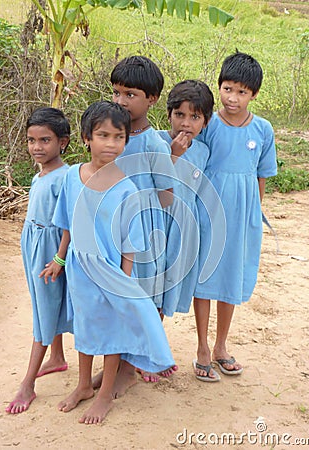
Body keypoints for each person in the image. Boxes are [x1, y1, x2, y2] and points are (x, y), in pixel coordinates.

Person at [46, 101, 175, 424]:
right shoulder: (72, 178)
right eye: (103, 135)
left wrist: (124, 281)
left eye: (119, 137)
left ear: (126, 141)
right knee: (86, 326)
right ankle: (83, 386)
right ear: (86, 138)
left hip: (112, 272)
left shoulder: (126, 188)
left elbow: (130, 243)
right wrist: (59, 260)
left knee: (114, 330)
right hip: (79, 268)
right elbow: (67, 225)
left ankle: (104, 394)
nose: (111, 144)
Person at [193, 51, 277, 381]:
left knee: (231, 277)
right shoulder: (209, 124)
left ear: (254, 94)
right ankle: (201, 347)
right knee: (205, 276)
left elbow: (261, 176)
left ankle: (221, 346)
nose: (233, 98)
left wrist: (254, 215)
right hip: (208, 211)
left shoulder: (263, 129)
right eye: (228, 89)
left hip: (243, 217)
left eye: (242, 92)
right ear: (219, 87)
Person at [110, 55, 178, 382]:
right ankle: (116, 365)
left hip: (145, 233)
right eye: (116, 93)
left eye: (130, 94)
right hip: (113, 230)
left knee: (142, 295)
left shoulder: (153, 143)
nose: (121, 101)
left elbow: (167, 195)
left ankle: (129, 368)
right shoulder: (110, 136)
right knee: (117, 296)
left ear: (151, 99)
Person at [6, 107, 73, 414]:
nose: (36, 147)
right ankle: (57, 357)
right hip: (33, 244)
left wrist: (59, 259)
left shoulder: (66, 177)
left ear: (63, 142)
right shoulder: (40, 174)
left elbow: (69, 223)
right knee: (42, 302)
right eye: (32, 140)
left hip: (51, 250)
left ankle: (28, 384)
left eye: (45, 140)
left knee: (44, 311)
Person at [157, 80, 214, 317]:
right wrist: (172, 154)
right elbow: (151, 181)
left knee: (167, 291)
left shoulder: (202, 152)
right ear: (168, 114)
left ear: (206, 122)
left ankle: (149, 349)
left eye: (195, 117)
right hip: (158, 223)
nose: (186, 123)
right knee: (151, 286)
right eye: (179, 114)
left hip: (183, 230)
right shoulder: (157, 142)